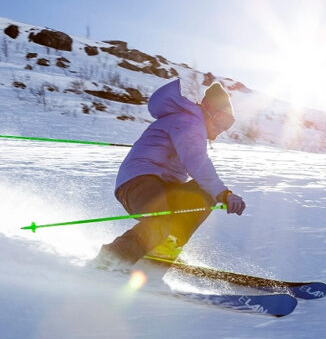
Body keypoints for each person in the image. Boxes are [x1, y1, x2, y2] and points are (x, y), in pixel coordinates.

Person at [95, 78, 246, 269]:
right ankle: (110, 260)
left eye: (228, 125)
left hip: (162, 185)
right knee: (161, 220)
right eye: (222, 121)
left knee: (204, 191)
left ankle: (163, 251)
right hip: (138, 182)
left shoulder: (190, 123)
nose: (220, 131)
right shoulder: (189, 121)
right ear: (207, 107)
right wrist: (225, 193)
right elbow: (197, 162)